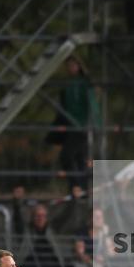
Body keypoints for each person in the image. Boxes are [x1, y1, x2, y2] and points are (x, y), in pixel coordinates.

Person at [48, 59, 99, 192]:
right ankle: (78, 187)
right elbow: (64, 106)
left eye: (73, 65)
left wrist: (93, 124)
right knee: (78, 158)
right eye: (68, 66)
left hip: (82, 126)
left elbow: (91, 105)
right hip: (71, 125)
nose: (70, 68)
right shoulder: (69, 85)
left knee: (68, 155)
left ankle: (78, 185)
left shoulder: (84, 83)